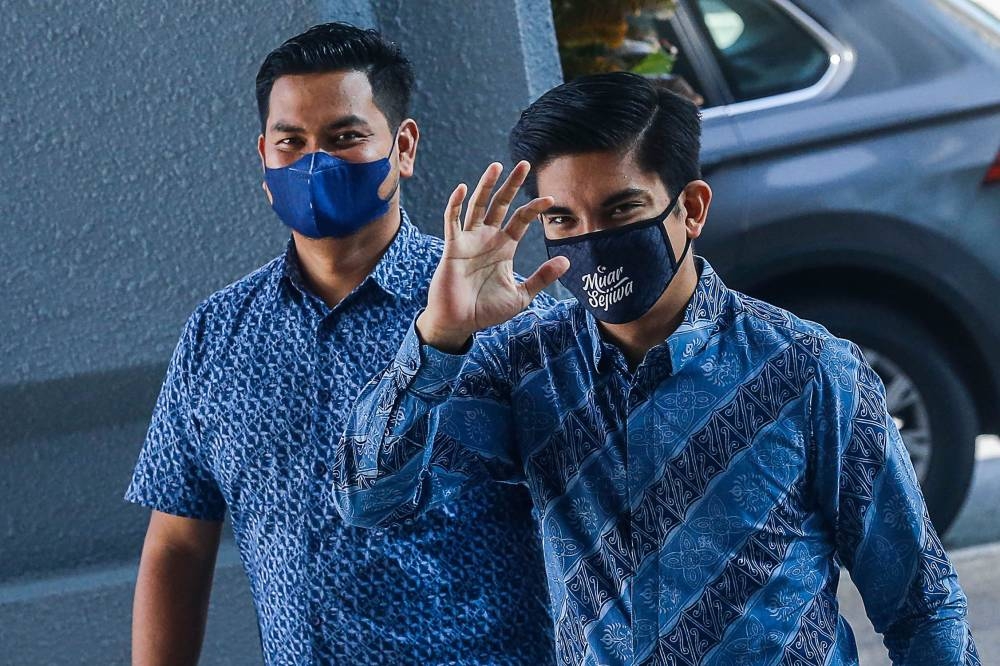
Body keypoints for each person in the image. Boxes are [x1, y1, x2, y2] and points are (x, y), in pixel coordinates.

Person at [333, 72, 980, 665]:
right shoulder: (522, 368)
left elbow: (923, 605)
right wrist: (439, 334)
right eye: (562, 218)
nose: (593, 239)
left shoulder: (809, 372)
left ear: (691, 208)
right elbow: (368, 498)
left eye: (621, 210)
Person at [124, 22, 555, 665]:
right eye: (290, 142)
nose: (314, 162)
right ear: (264, 158)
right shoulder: (217, 334)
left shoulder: (499, 313)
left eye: (346, 137)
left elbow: (603, 520)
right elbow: (178, 545)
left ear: (403, 146)